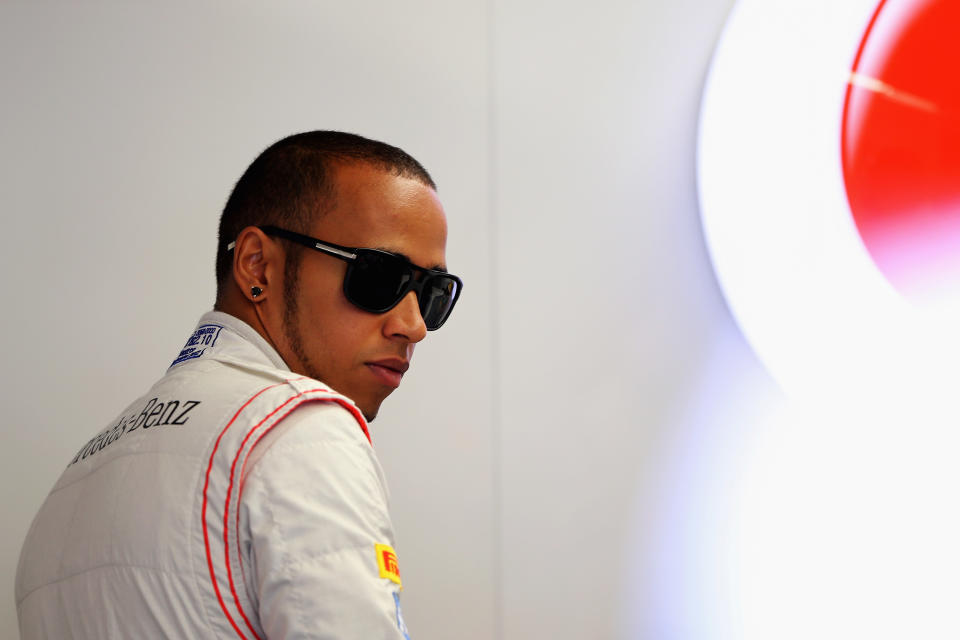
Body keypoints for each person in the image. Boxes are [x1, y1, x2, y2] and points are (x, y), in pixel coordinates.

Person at [14, 131, 462, 639]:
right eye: (380, 276)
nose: (414, 324)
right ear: (257, 265)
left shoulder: (76, 479)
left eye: (433, 293)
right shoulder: (302, 431)